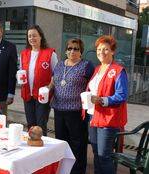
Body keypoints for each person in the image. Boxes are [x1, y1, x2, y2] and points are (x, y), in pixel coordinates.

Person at [50, 38, 94, 174]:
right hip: (59, 109)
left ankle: (77, 171)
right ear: (66, 50)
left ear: (81, 52)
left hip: (76, 112)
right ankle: (64, 170)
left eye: (76, 48)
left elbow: (93, 85)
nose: (72, 51)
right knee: (62, 142)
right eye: (69, 48)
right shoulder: (59, 65)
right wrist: (46, 89)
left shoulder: (86, 65)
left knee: (78, 144)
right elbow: (53, 81)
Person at [87, 35, 128, 174]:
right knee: (96, 155)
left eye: (105, 49)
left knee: (104, 157)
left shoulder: (118, 70)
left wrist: (102, 100)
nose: (101, 52)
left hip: (108, 120)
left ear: (112, 51)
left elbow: (121, 95)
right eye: (99, 49)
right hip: (93, 117)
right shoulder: (97, 69)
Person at [19, 25, 58, 136]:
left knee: (41, 125)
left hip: (43, 95)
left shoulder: (50, 54)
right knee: (30, 124)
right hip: (27, 94)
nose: (32, 38)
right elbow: (21, 71)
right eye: (29, 36)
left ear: (41, 37)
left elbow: (56, 74)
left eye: (35, 35)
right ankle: (32, 146)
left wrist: (49, 87)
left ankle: (42, 148)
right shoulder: (24, 54)